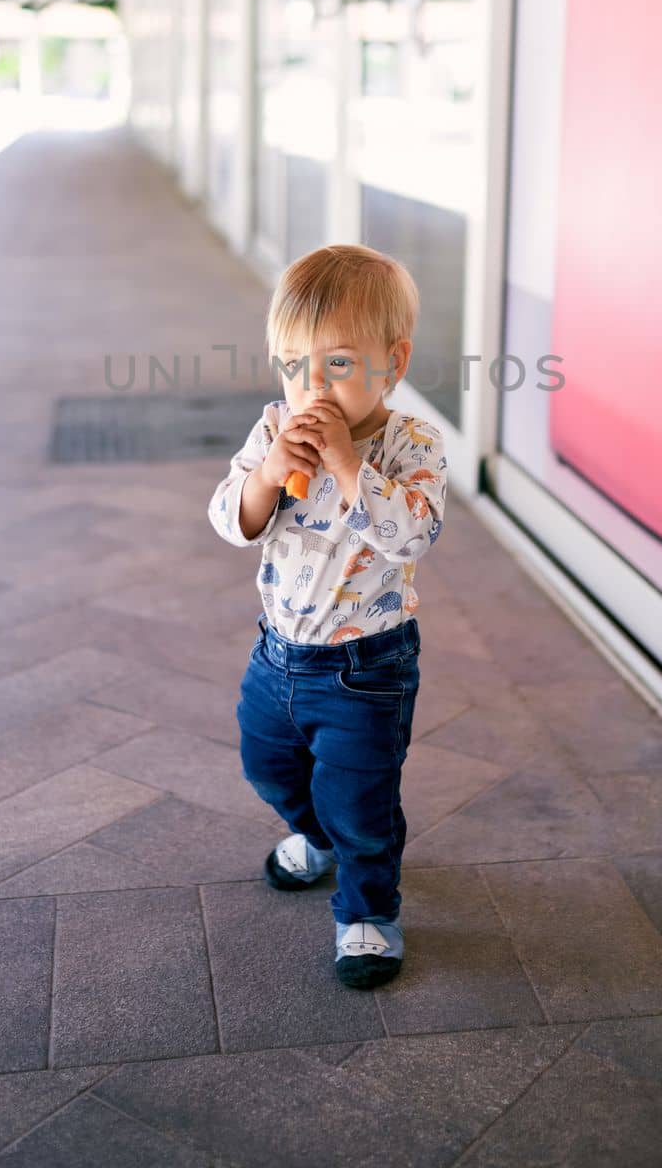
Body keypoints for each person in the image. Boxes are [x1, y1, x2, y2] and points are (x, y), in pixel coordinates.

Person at [207, 243, 448, 988]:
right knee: (267, 764)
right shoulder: (274, 431)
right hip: (276, 656)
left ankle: (367, 911)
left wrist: (349, 464)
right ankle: (315, 838)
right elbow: (227, 519)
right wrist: (269, 473)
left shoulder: (411, 445)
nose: (310, 386)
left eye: (337, 365)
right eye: (292, 364)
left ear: (392, 364)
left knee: (361, 798)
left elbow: (413, 532)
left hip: (365, 669)